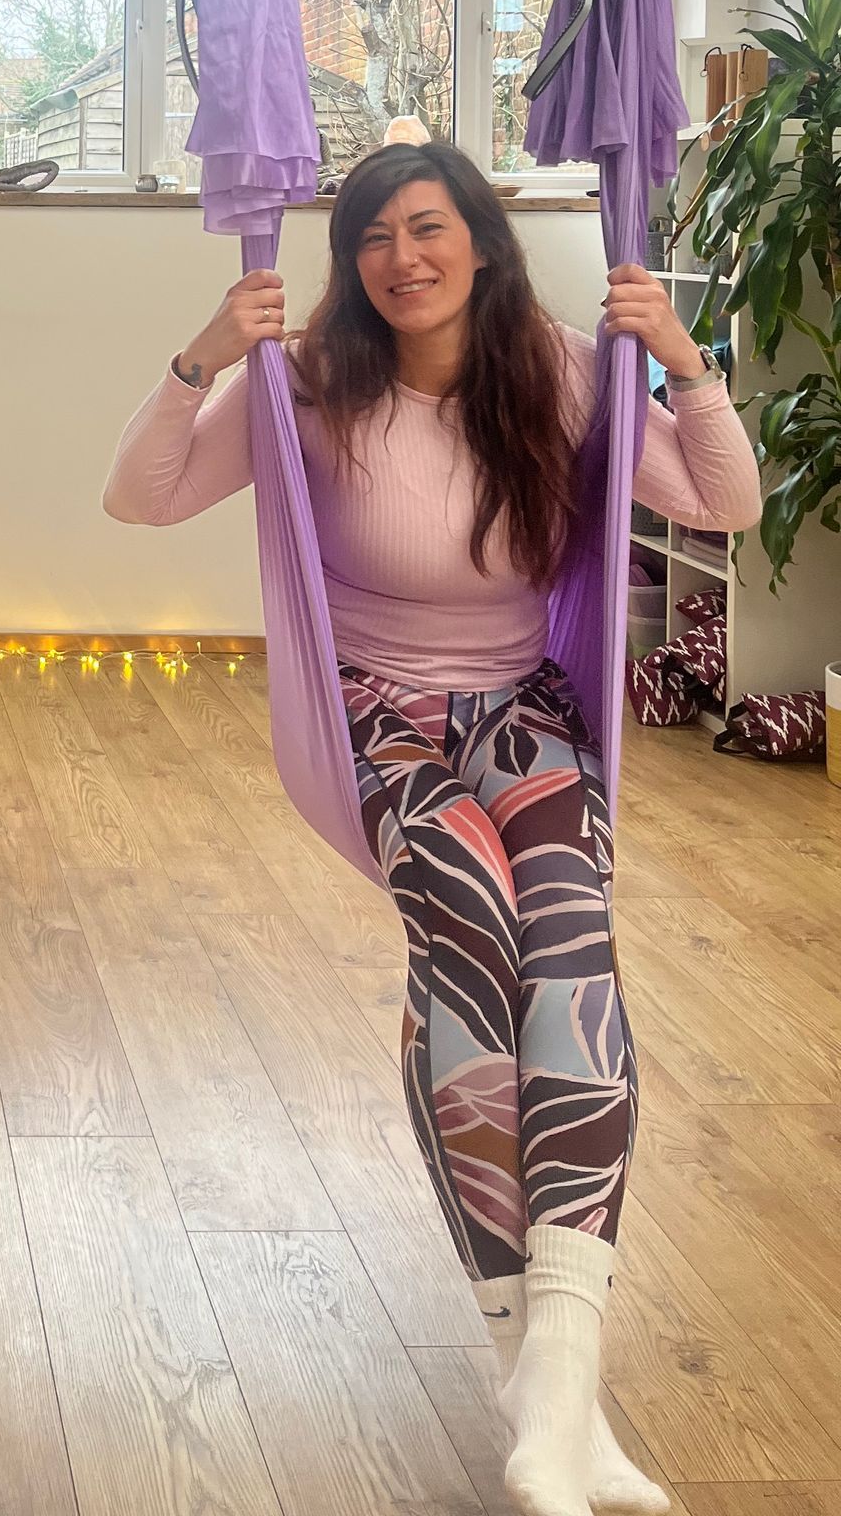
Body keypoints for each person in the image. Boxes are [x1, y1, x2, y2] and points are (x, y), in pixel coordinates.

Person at [104, 140, 760, 1516]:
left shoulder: (561, 370)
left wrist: (684, 365)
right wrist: (198, 357)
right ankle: (545, 1383)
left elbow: (723, 503)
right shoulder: (310, 385)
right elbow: (142, 494)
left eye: (427, 228)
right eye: (372, 239)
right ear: (351, 265)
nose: (401, 259)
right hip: (382, 724)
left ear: (479, 239)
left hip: (526, 711)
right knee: (472, 934)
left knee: (571, 958)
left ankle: (560, 1389)